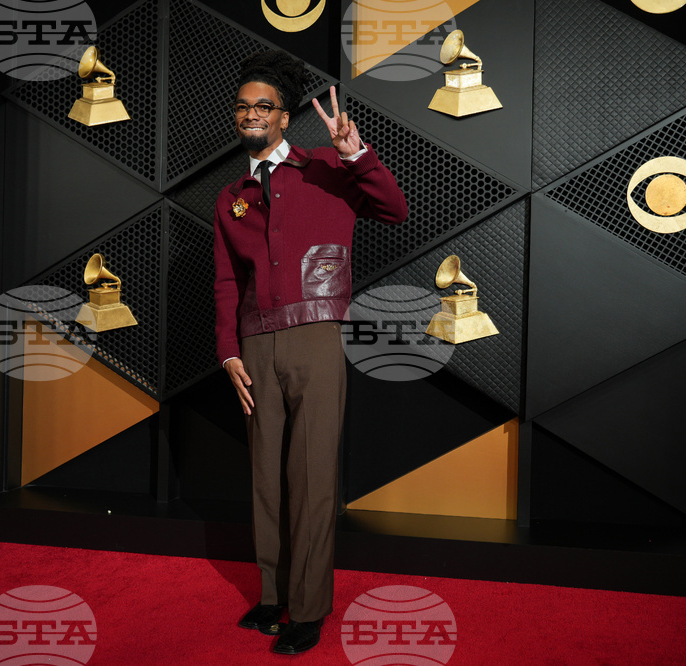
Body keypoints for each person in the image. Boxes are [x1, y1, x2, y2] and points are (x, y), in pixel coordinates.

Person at [213, 50, 408, 655]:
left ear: (283, 116)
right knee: (265, 477)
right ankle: (272, 597)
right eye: (243, 106)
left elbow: (394, 210)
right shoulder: (230, 197)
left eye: (263, 106)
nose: (251, 114)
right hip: (254, 347)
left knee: (311, 476)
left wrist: (356, 153)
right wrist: (228, 352)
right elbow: (226, 281)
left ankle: (309, 607)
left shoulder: (326, 166)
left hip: (316, 338)